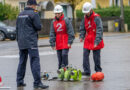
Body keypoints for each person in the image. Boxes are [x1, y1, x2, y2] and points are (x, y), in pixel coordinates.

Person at [16, 0, 49, 89]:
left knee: (22, 61)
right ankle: (37, 82)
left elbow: (17, 29)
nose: (36, 7)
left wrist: (18, 40)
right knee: (35, 61)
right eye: (35, 5)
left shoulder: (20, 14)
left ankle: (19, 81)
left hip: (21, 42)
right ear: (32, 5)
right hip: (31, 42)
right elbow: (38, 26)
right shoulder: (34, 14)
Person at [79, 2, 104, 77]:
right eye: (85, 12)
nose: (86, 14)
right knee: (85, 55)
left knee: (96, 57)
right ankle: (87, 71)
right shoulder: (84, 18)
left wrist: (97, 41)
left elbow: (100, 30)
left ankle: (98, 71)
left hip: (96, 38)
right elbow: (82, 28)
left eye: (87, 12)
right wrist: (81, 36)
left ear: (91, 10)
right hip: (88, 39)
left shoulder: (97, 18)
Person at [49, 5, 75, 69]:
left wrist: (70, 42)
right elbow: (52, 33)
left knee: (64, 55)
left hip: (65, 41)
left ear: (61, 13)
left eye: (58, 13)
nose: (57, 15)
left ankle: (66, 68)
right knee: (59, 57)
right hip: (58, 42)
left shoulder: (66, 20)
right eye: (56, 13)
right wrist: (52, 44)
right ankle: (60, 70)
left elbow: (71, 32)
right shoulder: (53, 22)